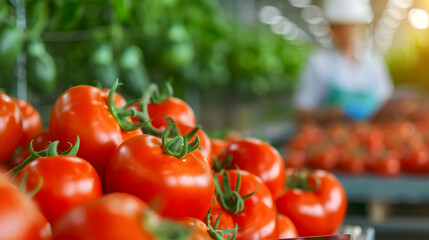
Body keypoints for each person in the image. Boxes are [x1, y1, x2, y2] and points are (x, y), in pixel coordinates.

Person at [293, 0, 394, 124]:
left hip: (370, 135)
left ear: (362, 27)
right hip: (329, 138)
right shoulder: (318, 63)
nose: (347, 34)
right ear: (331, 29)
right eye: (340, 27)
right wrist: (328, 114)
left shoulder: (374, 63)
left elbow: (387, 104)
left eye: (352, 27)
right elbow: (300, 112)